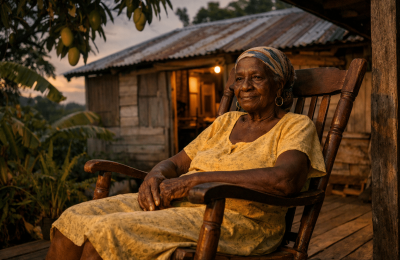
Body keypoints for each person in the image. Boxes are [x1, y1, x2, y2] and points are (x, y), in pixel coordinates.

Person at [46, 47, 326, 260]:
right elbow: (177, 162)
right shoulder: (225, 122)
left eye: (257, 78)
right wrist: (155, 175)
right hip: (183, 209)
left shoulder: (295, 125)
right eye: (239, 79)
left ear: (278, 84)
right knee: (72, 220)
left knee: (105, 234)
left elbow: (285, 180)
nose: (245, 86)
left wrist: (194, 182)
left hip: (240, 222)